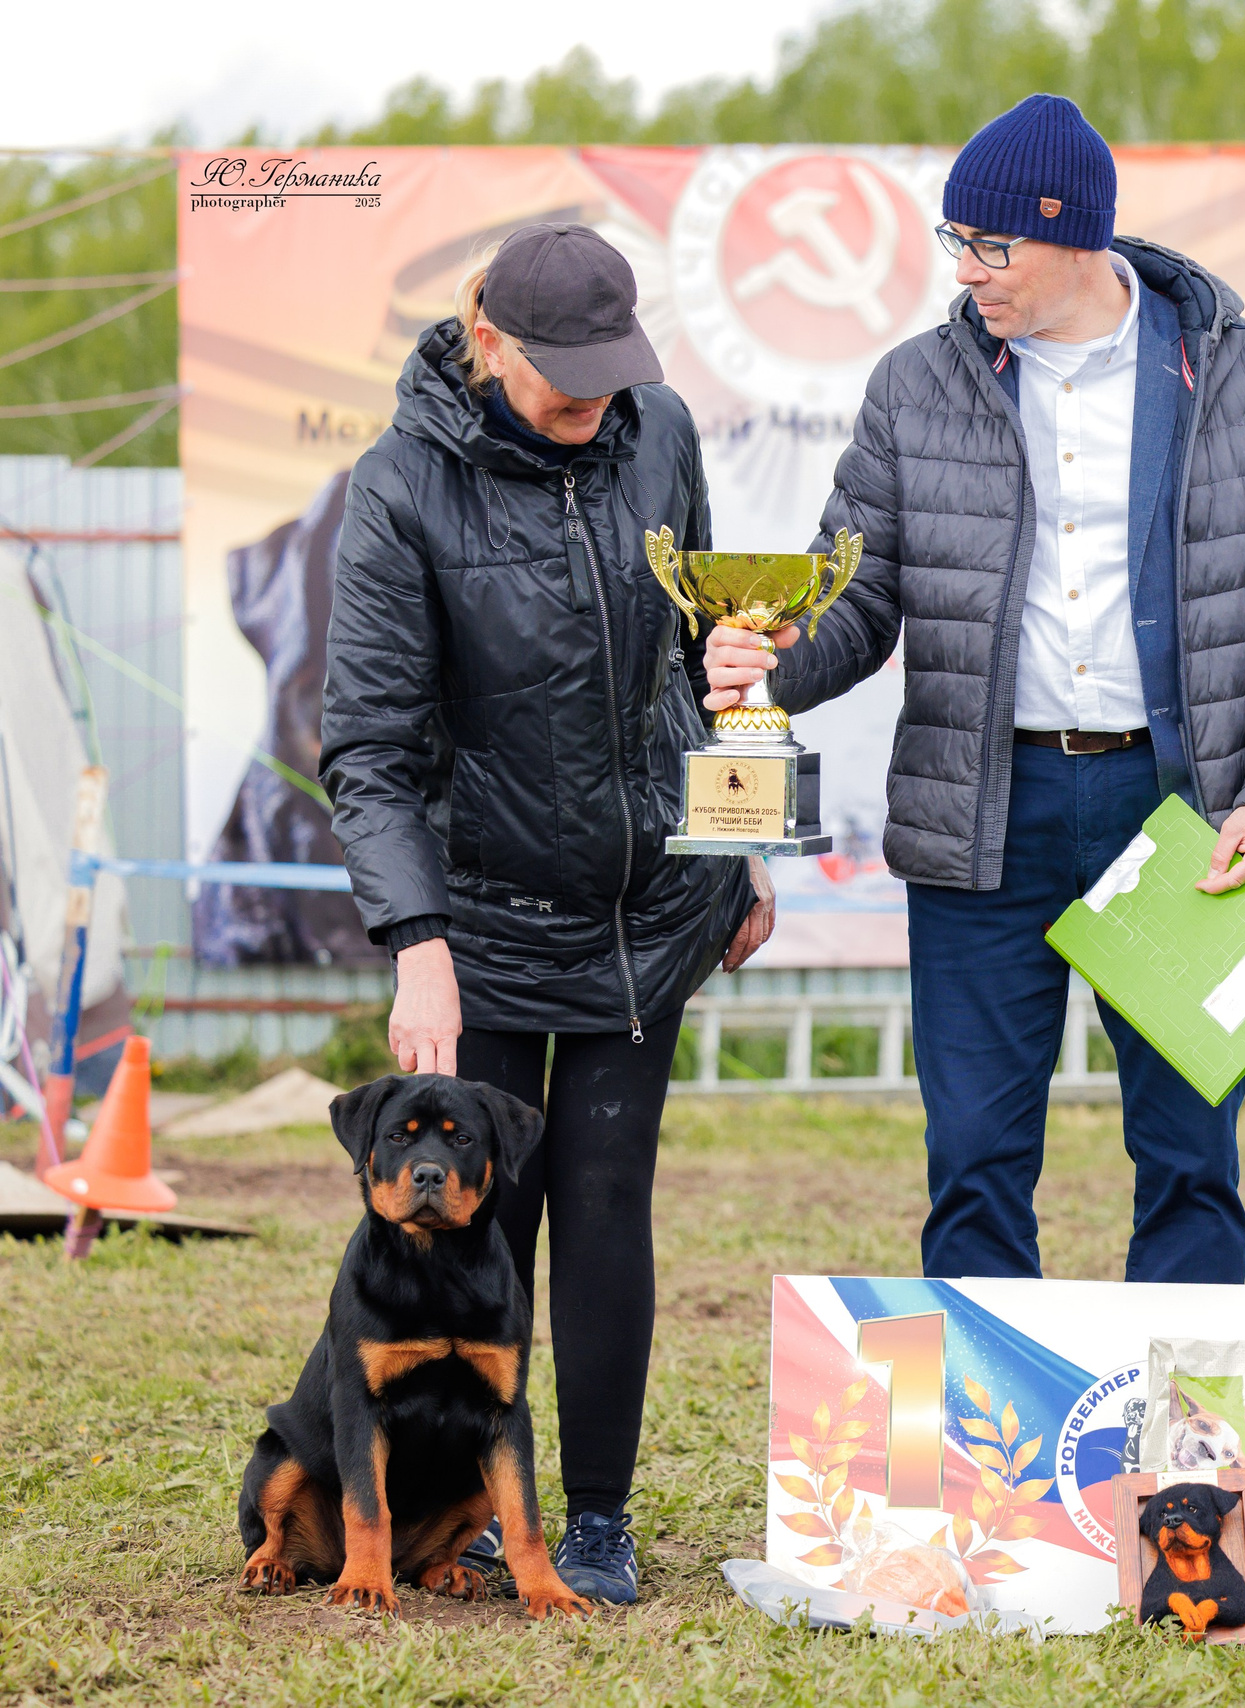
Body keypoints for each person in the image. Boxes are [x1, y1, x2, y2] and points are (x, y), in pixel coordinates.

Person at [703, 94, 1245, 1284]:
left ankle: (1185, 1464)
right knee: (972, 1160)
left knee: (1189, 1161)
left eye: (989, 246)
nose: (966, 272)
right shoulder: (914, 384)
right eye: (955, 242)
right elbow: (857, 599)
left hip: (1179, 821)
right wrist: (773, 660)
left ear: (1078, 238)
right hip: (978, 815)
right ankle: (978, 1457)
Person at [321, 223, 769, 1605]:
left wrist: (742, 842)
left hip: (649, 909)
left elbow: (700, 661)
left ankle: (599, 1523)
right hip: (487, 920)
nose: (594, 403)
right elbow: (373, 750)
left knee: (609, 1199)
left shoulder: (661, 432)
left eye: (610, 373)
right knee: (483, 1220)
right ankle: (450, 1515)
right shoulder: (398, 491)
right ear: (490, 341)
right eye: (564, 377)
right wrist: (419, 948)